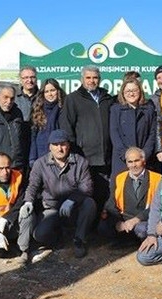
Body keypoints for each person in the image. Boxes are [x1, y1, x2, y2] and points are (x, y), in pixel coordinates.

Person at [22, 129, 96, 258]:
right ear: (50, 146)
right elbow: (33, 185)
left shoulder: (80, 162)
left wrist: (72, 200)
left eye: (63, 144)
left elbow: (87, 187)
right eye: (55, 145)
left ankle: (79, 239)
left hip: (73, 207)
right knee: (39, 235)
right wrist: (28, 201)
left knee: (90, 204)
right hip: (52, 208)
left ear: (68, 145)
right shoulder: (40, 164)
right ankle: (58, 239)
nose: (59, 148)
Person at [60, 65, 115, 213]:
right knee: (85, 193)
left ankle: (99, 228)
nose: (91, 81)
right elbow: (67, 127)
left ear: (100, 79)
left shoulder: (107, 99)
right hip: (84, 156)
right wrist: (74, 153)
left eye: (95, 77)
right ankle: (83, 228)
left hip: (105, 157)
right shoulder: (73, 99)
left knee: (103, 193)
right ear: (82, 79)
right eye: (88, 77)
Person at [0, 152, 32, 264]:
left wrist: (5, 219)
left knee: (27, 214)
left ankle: (23, 249)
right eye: (1, 168)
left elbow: (20, 202)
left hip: (14, 222)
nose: (5, 172)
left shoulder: (19, 178)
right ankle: (1, 248)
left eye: (8, 168)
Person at [101, 147, 161, 241]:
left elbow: (158, 206)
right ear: (127, 163)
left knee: (142, 230)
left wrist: (136, 219)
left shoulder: (157, 179)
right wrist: (119, 223)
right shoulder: (120, 178)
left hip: (144, 219)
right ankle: (125, 240)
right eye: (130, 162)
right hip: (125, 218)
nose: (134, 165)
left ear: (143, 161)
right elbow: (111, 202)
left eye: (137, 161)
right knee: (103, 227)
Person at [109, 77, 157, 178]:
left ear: (140, 91)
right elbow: (114, 133)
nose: (131, 94)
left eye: (135, 90)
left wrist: (144, 155)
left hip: (144, 160)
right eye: (128, 91)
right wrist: (126, 156)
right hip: (122, 160)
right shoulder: (115, 110)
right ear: (122, 93)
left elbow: (152, 133)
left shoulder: (148, 109)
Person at [29, 78, 65, 167]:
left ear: (58, 91)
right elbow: (33, 136)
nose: (50, 94)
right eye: (46, 91)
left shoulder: (65, 108)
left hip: (61, 152)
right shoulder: (37, 109)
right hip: (42, 153)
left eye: (52, 90)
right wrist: (32, 158)